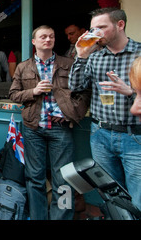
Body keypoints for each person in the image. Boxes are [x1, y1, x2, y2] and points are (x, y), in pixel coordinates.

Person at [9, 25, 90, 220]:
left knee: (64, 179)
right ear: (34, 41)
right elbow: (13, 94)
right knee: (34, 179)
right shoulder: (23, 66)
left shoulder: (68, 63)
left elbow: (84, 93)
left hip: (60, 129)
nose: (48, 39)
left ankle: (61, 218)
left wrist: (71, 114)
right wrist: (34, 91)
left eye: (51, 36)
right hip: (33, 128)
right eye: (43, 36)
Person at [69, 7, 141, 210]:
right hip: (100, 134)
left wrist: (131, 92)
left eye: (101, 27)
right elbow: (75, 87)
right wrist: (81, 56)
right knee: (110, 196)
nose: (95, 34)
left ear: (120, 25)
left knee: (138, 199)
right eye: (93, 29)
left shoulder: (140, 53)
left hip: (134, 137)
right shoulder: (95, 57)